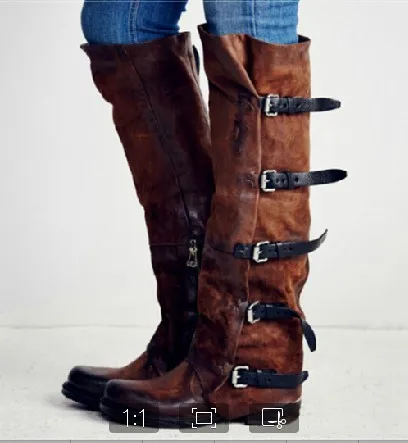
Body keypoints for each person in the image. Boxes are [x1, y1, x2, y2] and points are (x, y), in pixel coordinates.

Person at [62, 0, 346, 428]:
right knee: (118, 21)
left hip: (248, 362)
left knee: (244, 17)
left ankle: (249, 362)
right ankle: (194, 334)